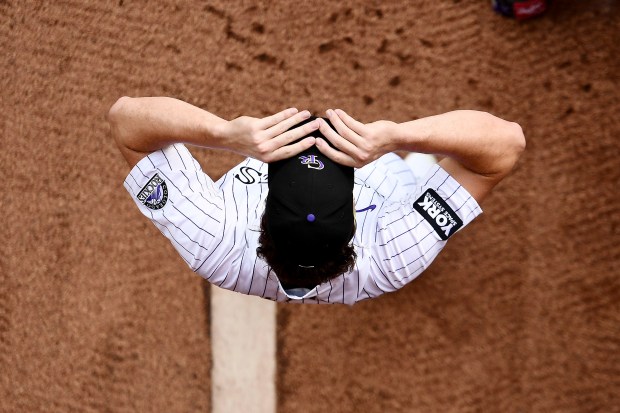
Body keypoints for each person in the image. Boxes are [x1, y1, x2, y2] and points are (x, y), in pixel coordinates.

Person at [108, 97, 525, 304]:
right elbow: (507, 145)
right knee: (422, 170)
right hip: (399, 187)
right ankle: (415, 159)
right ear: (354, 226)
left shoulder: (215, 237)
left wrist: (224, 134)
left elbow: (124, 117)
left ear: (263, 220)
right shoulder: (395, 250)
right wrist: (396, 135)